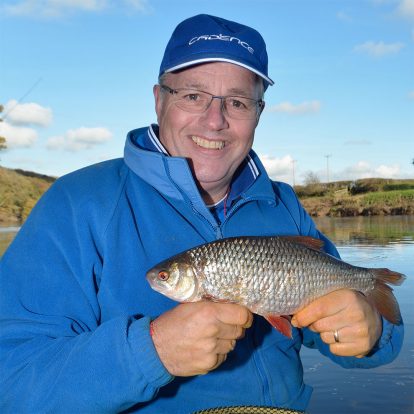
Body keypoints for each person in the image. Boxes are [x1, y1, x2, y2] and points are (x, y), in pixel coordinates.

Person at [0, 14, 403, 413]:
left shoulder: (284, 204)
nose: (215, 121)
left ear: (258, 114)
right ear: (159, 100)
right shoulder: (76, 202)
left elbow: (358, 338)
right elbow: (12, 383)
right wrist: (151, 351)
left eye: (238, 101)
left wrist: (370, 330)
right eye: (193, 96)